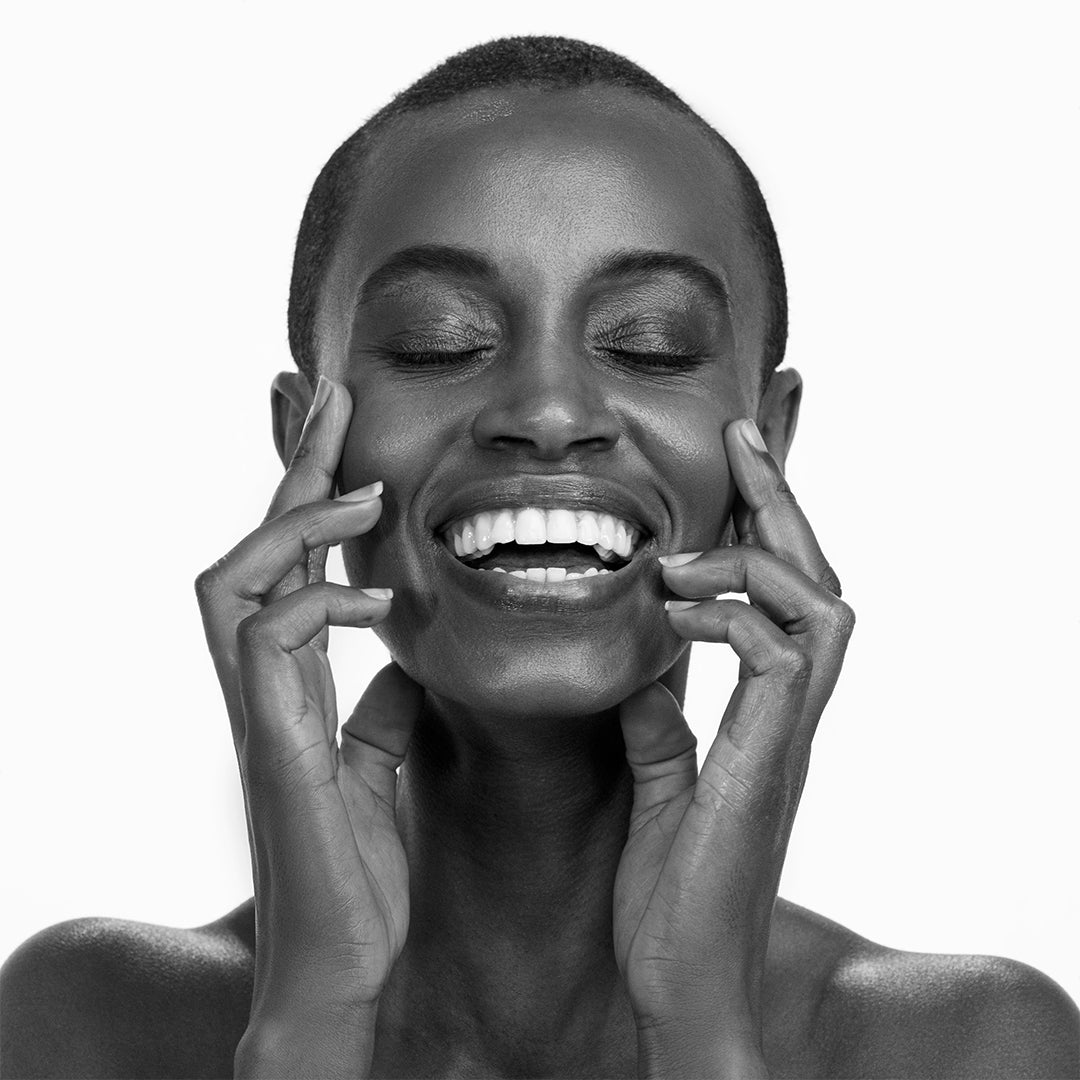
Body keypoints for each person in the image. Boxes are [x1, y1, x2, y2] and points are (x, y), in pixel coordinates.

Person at [2, 34, 1077, 1080]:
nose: (549, 411)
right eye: (438, 340)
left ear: (769, 439)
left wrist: (700, 1031)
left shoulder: (971, 1049)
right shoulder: (89, 1022)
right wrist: (310, 1021)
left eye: (649, 342)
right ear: (305, 442)